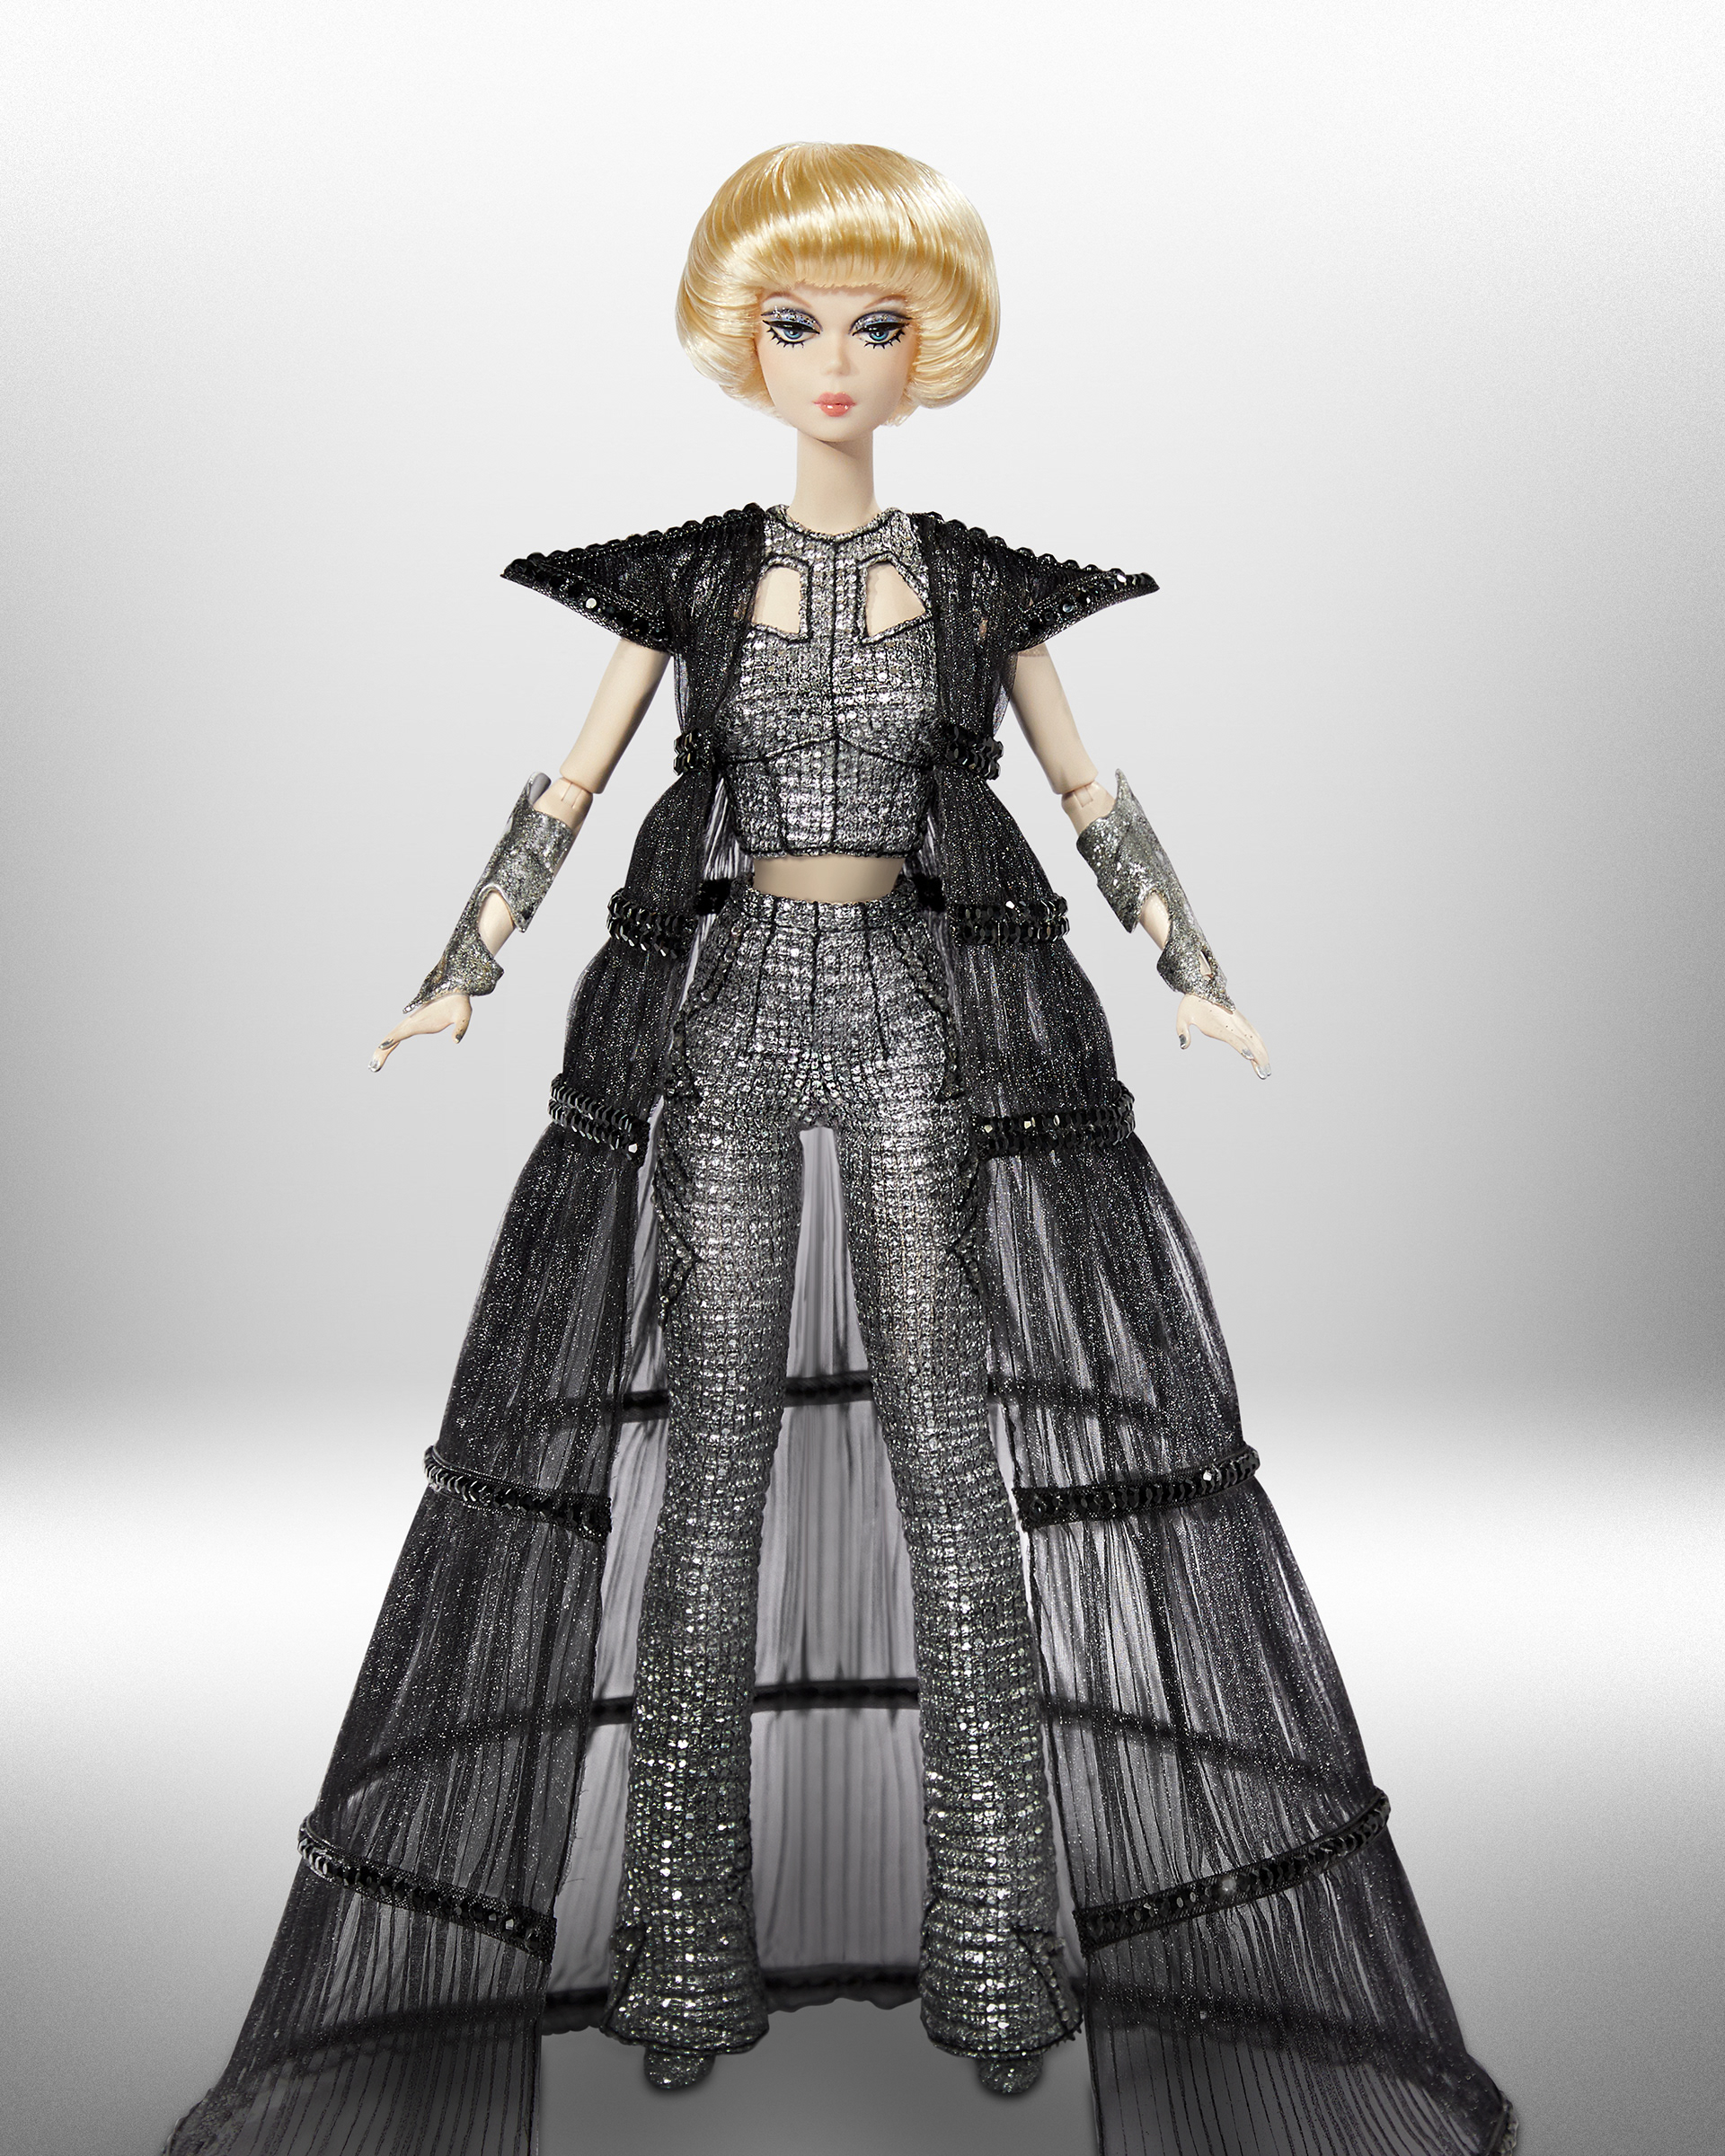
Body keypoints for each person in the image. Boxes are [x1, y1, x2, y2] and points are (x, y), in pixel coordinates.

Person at [168, 144, 1515, 2156]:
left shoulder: (973, 587)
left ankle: (997, 1955)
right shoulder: (692, 583)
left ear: (927, 346)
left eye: (875, 324)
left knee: (956, 1471)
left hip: (907, 1013)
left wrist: (1192, 968)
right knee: (707, 1479)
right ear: (743, 338)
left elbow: (1090, 793)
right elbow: (568, 787)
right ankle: (682, 1958)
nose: (834, 360)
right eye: (796, 322)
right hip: (729, 1018)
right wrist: (463, 967)